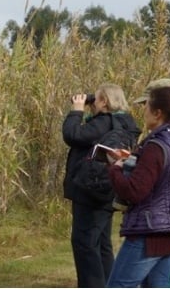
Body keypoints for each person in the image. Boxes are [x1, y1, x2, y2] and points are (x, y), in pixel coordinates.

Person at [105, 83, 170, 287]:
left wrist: (115, 168)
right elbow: (164, 177)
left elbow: (134, 191)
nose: (144, 112)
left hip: (148, 232)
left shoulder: (156, 146)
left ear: (157, 113)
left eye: (147, 106)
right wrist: (134, 159)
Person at [62, 83, 142, 287]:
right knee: (101, 244)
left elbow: (72, 136)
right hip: (107, 189)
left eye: (95, 99)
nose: (92, 102)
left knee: (84, 243)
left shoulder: (104, 122)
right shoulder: (123, 122)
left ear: (105, 101)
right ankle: (110, 284)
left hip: (91, 191)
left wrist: (77, 111)